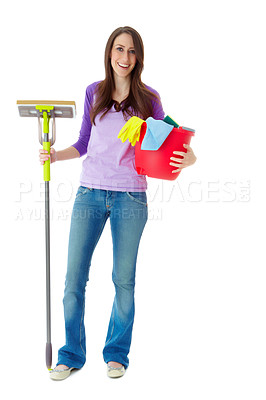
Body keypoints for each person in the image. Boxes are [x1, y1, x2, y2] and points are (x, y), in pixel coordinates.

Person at [39, 26, 196, 381]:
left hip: (130, 196)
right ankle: (71, 354)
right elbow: (82, 143)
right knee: (73, 280)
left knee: (123, 280)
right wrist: (53, 154)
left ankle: (116, 354)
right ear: (109, 52)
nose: (125, 58)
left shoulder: (149, 99)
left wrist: (188, 159)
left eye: (132, 51)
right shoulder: (94, 92)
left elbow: (174, 141)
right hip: (89, 194)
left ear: (138, 57)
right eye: (119, 49)